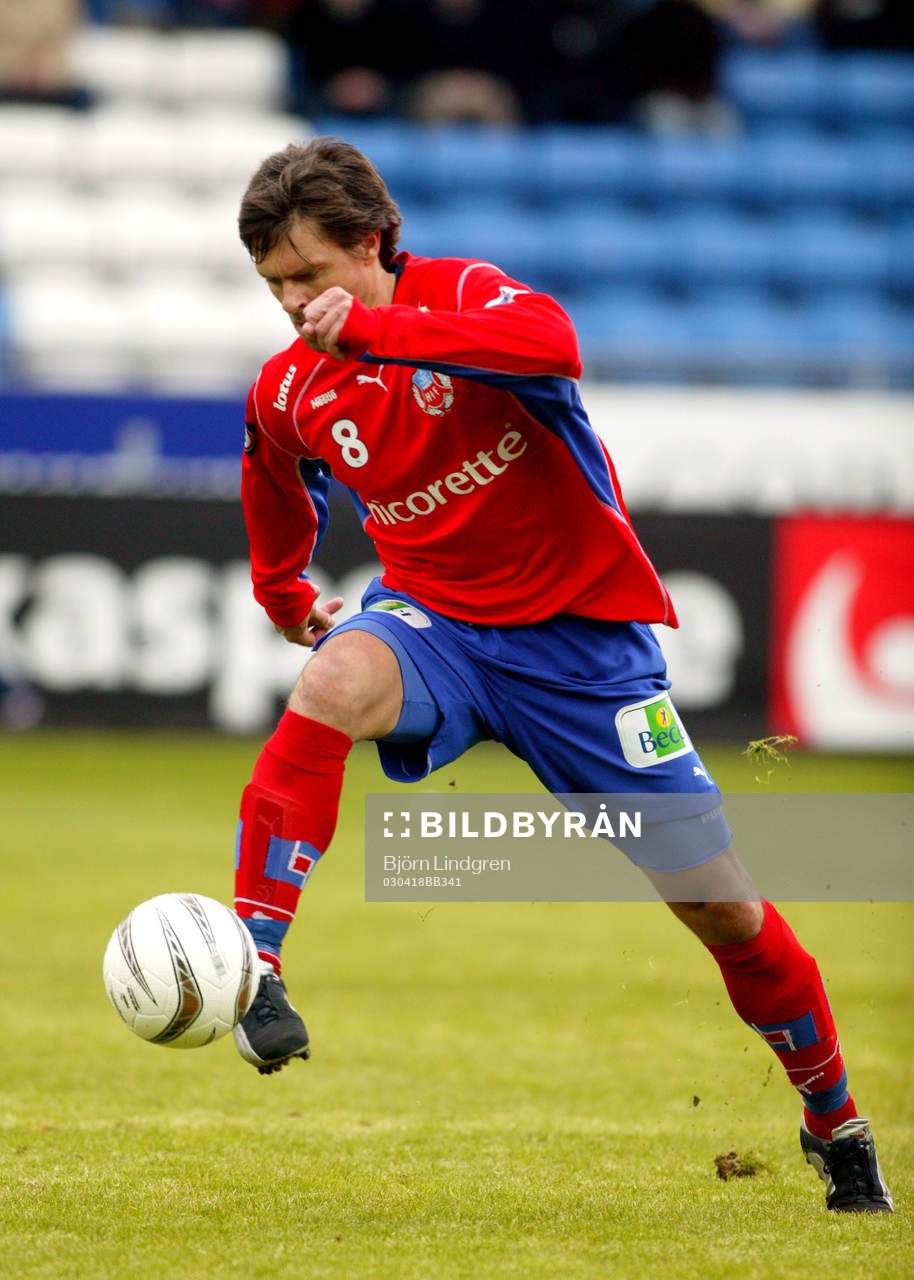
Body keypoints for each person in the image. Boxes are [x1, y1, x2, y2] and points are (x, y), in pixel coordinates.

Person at [230, 136, 893, 1214]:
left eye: (309, 273)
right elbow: (270, 472)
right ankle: (254, 962)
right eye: (275, 285)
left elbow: (553, 343)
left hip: (581, 653)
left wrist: (379, 333)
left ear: (374, 242)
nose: (295, 302)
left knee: (722, 909)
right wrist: (282, 593)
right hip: (436, 625)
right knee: (332, 684)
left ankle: (834, 1116)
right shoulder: (291, 386)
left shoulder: (461, 296)